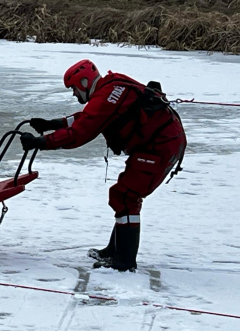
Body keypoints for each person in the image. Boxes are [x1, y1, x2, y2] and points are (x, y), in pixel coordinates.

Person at [20, 59, 187, 271]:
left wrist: (41, 143)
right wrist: (53, 124)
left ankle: (124, 262)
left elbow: (80, 133)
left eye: (73, 88)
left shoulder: (107, 94)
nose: (73, 94)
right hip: (158, 142)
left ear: (83, 81)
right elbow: (89, 116)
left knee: (126, 196)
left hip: (160, 146)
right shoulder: (111, 86)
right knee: (123, 194)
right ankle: (114, 250)